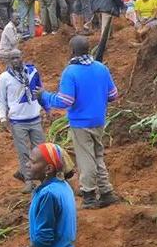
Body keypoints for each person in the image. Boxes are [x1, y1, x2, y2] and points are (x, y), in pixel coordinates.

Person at [38, 36, 119, 209]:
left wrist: (44, 96)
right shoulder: (101, 68)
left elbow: (65, 101)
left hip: (81, 123)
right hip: (99, 120)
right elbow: (113, 95)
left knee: (86, 158)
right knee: (98, 155)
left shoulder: (71, 71)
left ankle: (89, 195)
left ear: (72, 51)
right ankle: (106, 192)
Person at [0, 51, 49, 192]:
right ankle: (28, 181)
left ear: (22, 58)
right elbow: (1, 99)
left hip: (34, 118)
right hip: (17, 121)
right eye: (12, 58)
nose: (15, 60)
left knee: (40, 150)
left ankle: (42, 179)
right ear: (8, 61)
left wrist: (46, 108)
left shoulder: (32, 72)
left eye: (17, 57)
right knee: (23, 152)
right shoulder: (4, 77)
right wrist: (3, 117)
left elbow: (41, 90)